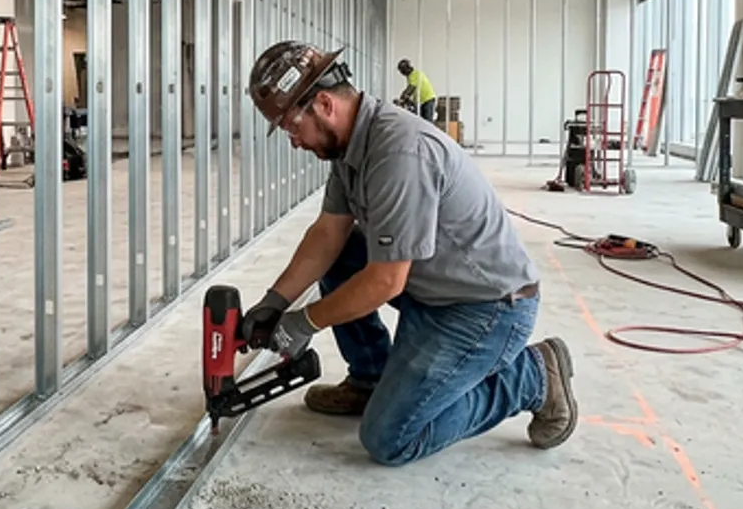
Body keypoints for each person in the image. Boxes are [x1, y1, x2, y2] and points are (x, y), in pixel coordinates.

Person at [242, 40, 577, 466]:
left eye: (292, 127)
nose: (294, 142)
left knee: (391, 438)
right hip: (435, 286)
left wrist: (305, 322)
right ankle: (370, 379)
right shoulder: (349, 147)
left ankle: (532, 377)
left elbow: (386, 281)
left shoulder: (398, 153)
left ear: (324, 104)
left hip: (485, 308)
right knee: (345, 252)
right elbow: (328, 234)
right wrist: (276, 301)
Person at [395, 58, 438, 122]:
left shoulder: (415, 74)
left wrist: (402, 99)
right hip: (421, 101)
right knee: (421, 121)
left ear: (407, 68)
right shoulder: (410, 76)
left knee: (427, 121)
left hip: (428, 99)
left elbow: (410, 89)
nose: (402, 73)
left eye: (402, 70)